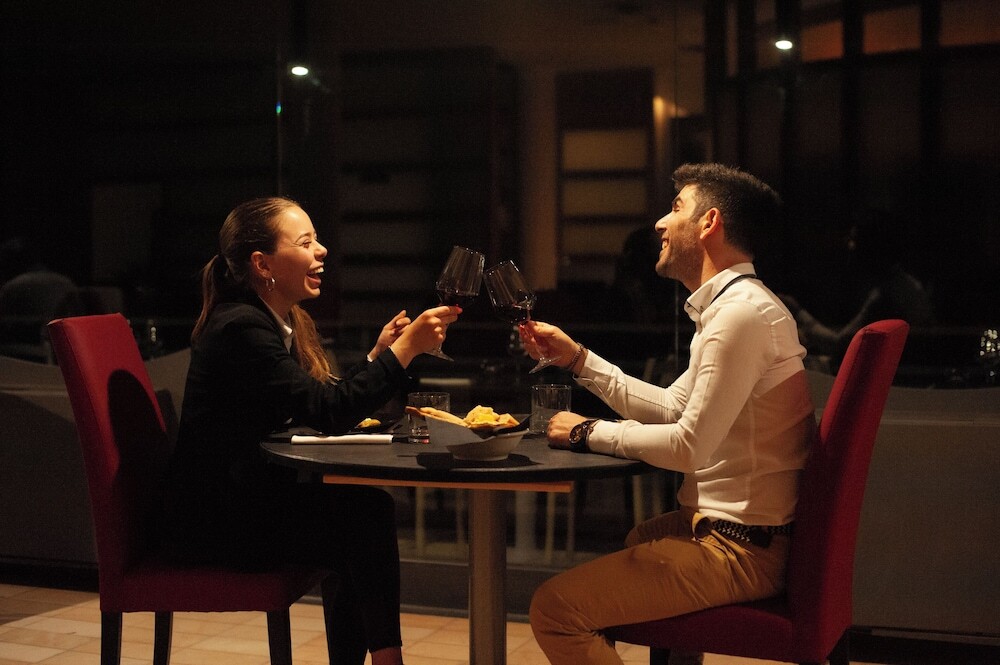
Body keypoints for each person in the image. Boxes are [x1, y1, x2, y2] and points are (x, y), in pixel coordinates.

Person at [520, 163, 816, 665]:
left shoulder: (741, 314)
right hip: (734, 532)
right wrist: (578, 360)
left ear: (709, 223)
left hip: (741, 548)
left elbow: (687, 446)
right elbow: (672, 408)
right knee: (638, 538)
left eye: (676, 207)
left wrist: (587, 431)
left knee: (555, 610)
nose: (660, 222)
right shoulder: (732, 309)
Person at [160, 196, 460, 665]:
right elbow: (327, 411)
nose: (321, 251)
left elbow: (312, 401)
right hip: (217, 525)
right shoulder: (241, 328)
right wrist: (402, 353)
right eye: (305, 242)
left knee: (360, 512)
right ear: (262, 264)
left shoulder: (264, 321)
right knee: (364, 516)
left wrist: (377, 356)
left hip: (242, 505)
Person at [781, 208, 933, 370]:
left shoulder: (887, 295)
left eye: (855, 239)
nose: (850, 245)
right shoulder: (902, 285)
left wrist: (797, 312)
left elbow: (840, 346)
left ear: (873, 246)